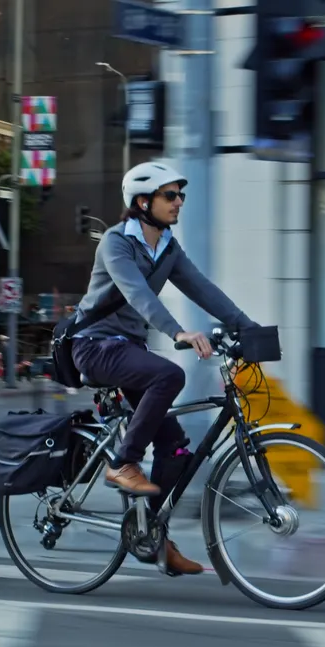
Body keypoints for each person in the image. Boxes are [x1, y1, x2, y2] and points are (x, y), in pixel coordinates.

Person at [70, 162, 258, 576]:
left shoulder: (167, 248)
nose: (178, 203)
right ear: (142, 202)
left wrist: (248, 325)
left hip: (128, 351)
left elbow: (203, 288)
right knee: (170, 374)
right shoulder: (116, 244)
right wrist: (178, 333)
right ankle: (123, 463)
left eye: (180, 196)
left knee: (176, 452)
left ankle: (151, 535)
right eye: (169, 195)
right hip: (95, 346)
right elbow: (139, 296)